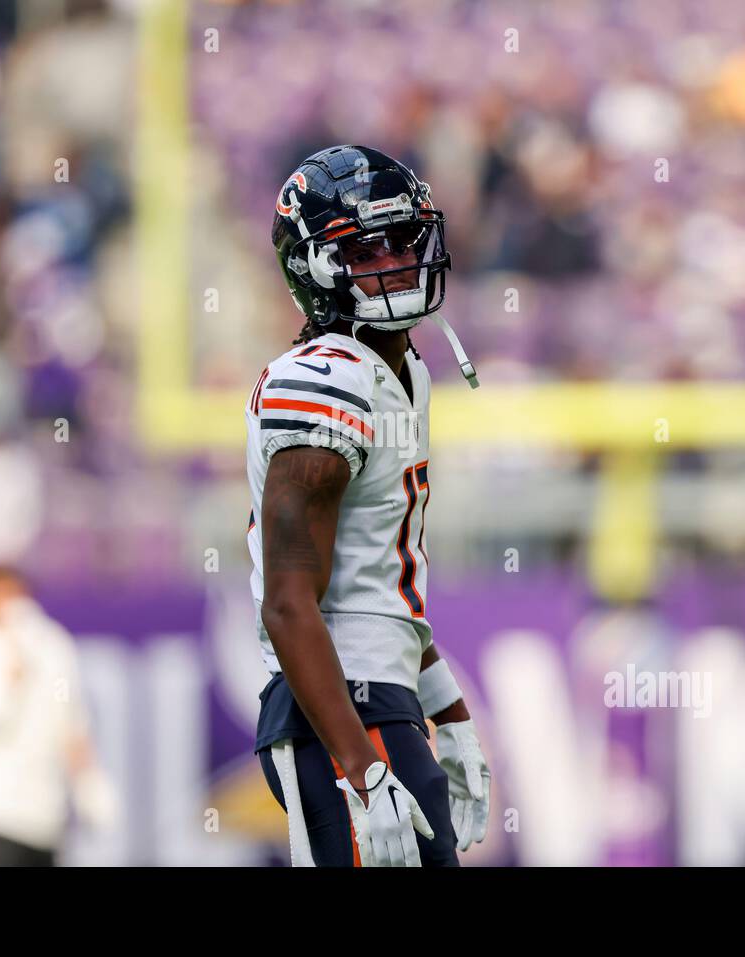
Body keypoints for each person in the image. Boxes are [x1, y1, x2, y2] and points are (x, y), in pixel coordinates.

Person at [246, 145, 490, 867]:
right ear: (316, 270)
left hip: (381, 702)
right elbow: (289, 603)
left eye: (404, 239)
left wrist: (448, 709)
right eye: (364, 249)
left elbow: (380, 584)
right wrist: (362, 766)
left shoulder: (402, 369)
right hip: (337, 714)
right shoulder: (324, 379)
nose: (394, 261)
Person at [0, 566, 117, 866]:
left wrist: (89, 784)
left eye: (14, 592)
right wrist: (15, 658)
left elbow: (70, 723)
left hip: (45, 818)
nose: (10, 603)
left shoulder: (53, 643)